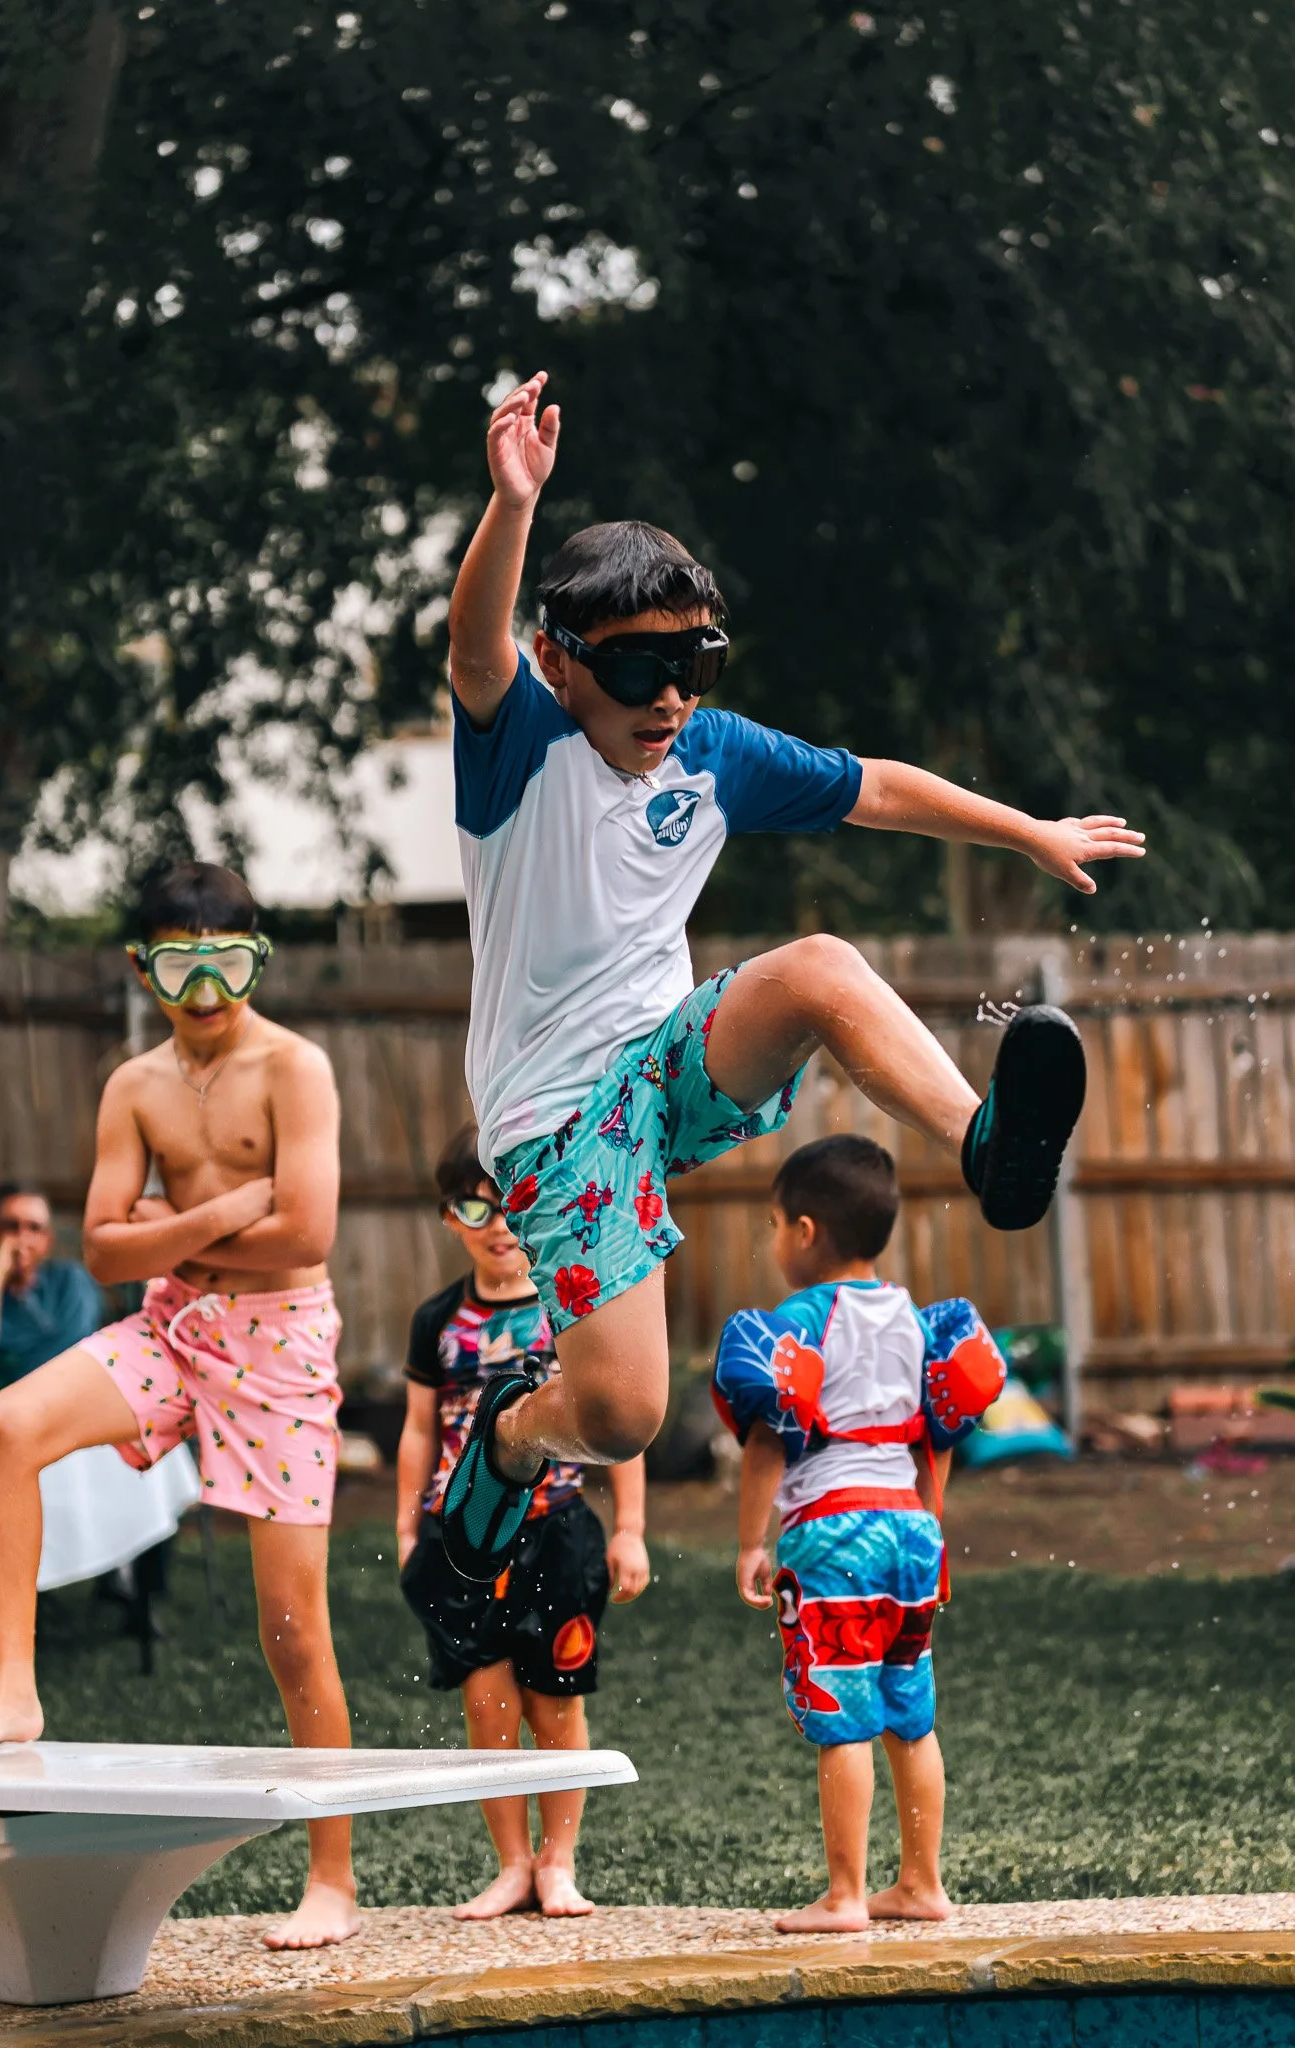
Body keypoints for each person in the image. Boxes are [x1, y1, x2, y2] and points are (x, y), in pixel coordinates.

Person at [438, 368, 1145, 1585]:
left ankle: (987, 1147)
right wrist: (510, 508)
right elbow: (471, 642)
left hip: (666, 1062)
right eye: (634, 673)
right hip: (554, 1121)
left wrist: (1030, 829)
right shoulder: (520, 746)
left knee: (818, 964)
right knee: (624, 1417)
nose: (667, 699)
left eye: (692, 667)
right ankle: (504, 1444)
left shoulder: (710, 753)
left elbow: (875, 785)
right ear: (561, 664)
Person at [0, 861, 359, 1953]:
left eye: (226, 963)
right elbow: (101, 1244)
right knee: (2, 1426)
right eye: (179, 965)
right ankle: (16, 1689)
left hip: (279, 1341)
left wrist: (168, 1222)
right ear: (143, 966)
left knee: (293, 1627)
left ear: (256, 958)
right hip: (174, 1323)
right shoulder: (134, 1083)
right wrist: (225, 1209)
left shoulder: (295, 1068)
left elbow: (306, 1235)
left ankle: (333, 1876)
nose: (204, 990)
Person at [713, 1135, 1005, 1931]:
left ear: (804, 1232)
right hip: (910, 1534)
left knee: (840, 1716)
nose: (773, 1240)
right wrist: (931, 1533)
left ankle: (844, 1895)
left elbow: (768, 1440)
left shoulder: (798, 1322)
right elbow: (929, 1442)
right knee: (909, 1713)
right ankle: (921, 1884)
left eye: (773, 1224)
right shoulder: (913, 1318)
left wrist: (749, 1544)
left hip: (833, 1534)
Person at [398, 1124, 650, 1919]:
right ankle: (510, 1864)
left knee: (557, 1700)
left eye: (508, 1202)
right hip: (465, 1537)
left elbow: (617, 1421)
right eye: (475, 1207)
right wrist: (409, 1526)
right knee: (487, 1701)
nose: (498, 1223)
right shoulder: (436, 1320)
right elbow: (418, 1428)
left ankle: (558, 1861)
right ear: (449, 1219)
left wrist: (630, 1526)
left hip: (558, 1526)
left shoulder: (566, 1312)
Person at [0, 1185, 103, 1396]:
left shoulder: (70, 1279)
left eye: (34, 1228)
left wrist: (11, 1361)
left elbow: (75, 1345)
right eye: (11, 1227)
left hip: (65, 1400)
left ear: (47, 1240)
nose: (22, 1238)